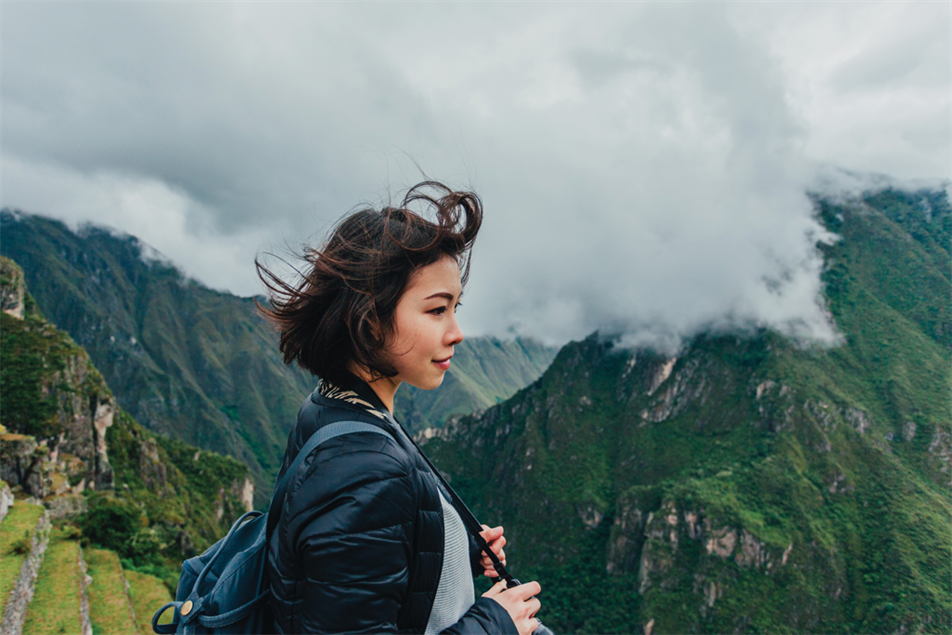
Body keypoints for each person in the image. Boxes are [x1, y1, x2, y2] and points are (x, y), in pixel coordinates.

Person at [257, 182, 542, 635]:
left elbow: (359, 556)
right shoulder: (365, 469)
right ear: (370, 320)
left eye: (455, 308)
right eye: (436, 311)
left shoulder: (333, 406)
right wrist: (495, 624)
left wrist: (448, 543)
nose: (457, 332)